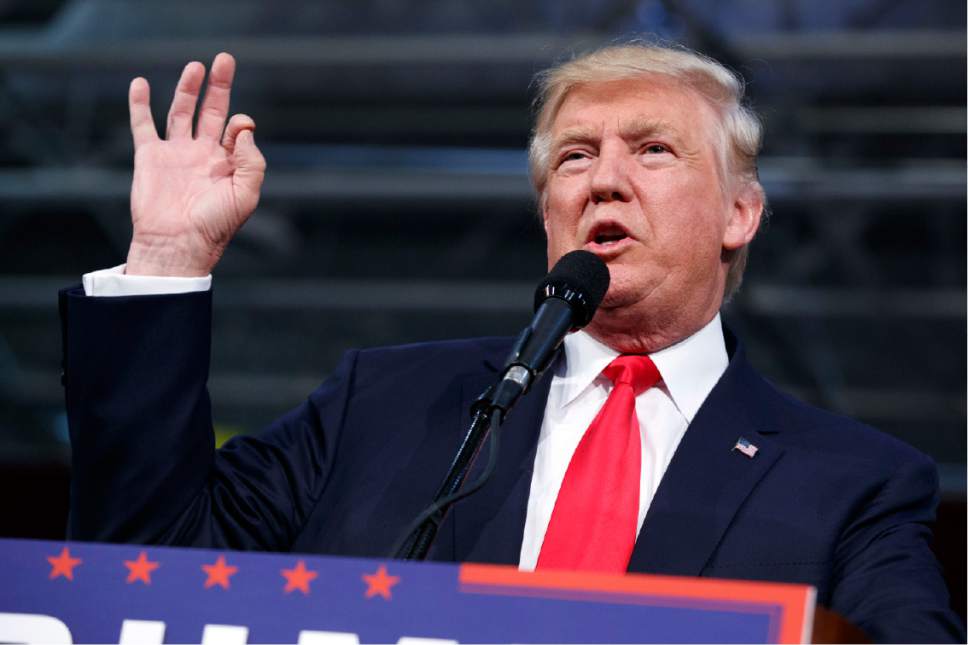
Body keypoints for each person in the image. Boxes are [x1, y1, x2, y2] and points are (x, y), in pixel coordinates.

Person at [60, 44, 964, 642]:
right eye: (574, 157)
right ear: (548, 215)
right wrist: (166, 259)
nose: (604, 178)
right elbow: (145, 572)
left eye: (652, 150)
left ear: (741, 212)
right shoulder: (380, 404)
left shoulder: (854, 483)